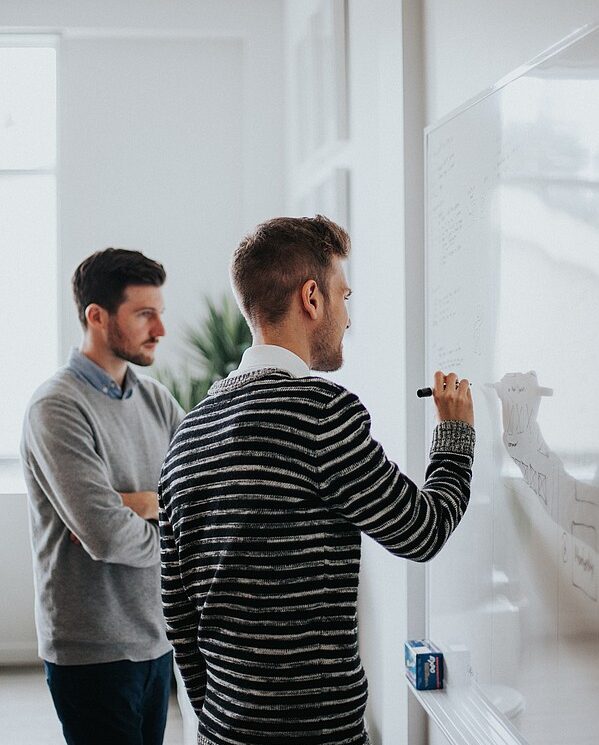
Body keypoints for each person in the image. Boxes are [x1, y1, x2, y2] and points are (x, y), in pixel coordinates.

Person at [159, 215, 475, 745]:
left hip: (222, 732)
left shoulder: (188, 434)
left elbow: (179, 617)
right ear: (311, 297)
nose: (348, 317)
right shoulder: (319, 414)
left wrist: (224, 722)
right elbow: (423, 531)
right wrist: (456, 434)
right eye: (343, 296)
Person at [21, 248, 184, 745]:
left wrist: (136, 502)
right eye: (143, 314)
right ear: (96, 316)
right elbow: (106, 536)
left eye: (159, 312)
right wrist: (167, 525)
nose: (160, 329)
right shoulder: (56, 407)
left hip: (157, 638)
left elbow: (197, 497)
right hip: (93, 651)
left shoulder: (157, 399)